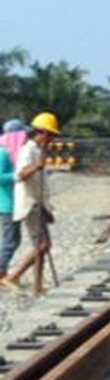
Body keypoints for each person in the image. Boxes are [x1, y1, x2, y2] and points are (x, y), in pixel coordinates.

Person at [1, 112, 60, 295]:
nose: (51, 139)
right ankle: (16, 277)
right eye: (50, 135)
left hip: (36, 204)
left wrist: (46, 207)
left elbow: (39, 183)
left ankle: (36, 285)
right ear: (41, 132)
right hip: (27, 205)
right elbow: (21, 175)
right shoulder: (27, 150)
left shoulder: (35, 150)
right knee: (39, 245)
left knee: (42, 245)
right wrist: (37, 166)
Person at [0, 119, 28, 282]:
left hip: (12, 203)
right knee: (10, 240)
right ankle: (1, 273)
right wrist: (17, 175)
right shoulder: (3, 153)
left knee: (14, 240)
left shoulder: (10, 153)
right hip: (6, 204)